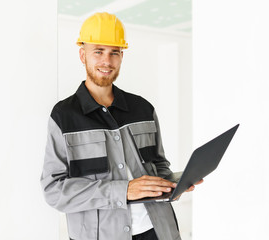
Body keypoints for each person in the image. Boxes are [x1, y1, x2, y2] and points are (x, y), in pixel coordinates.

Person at [40, 12, 202, 240]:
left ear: (121, 56)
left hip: (157, 231)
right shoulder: (64, 116)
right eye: (98, 51)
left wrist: (173, 184)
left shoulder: (143, 109)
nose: (107, 61)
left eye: (114, 53)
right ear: (82, 55)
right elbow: (54, 190)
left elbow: (158, 164)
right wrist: (123, 190)